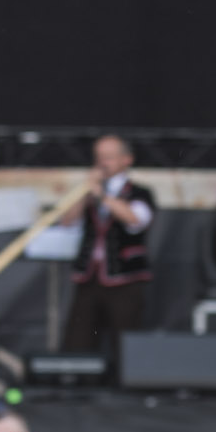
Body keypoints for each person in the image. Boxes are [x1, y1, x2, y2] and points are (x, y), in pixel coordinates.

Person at [60, 136, 156, 378]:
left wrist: (102, 195)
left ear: (126, 159)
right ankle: (77, 382)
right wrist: (83, 193)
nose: (103, 163)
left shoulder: (139, 193)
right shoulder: (90, 192)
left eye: (109, 157)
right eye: (99, 157)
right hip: (89, 275)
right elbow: (67, 221)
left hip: (124, 276)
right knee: (79, 337)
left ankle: (127, 383)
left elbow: (136, 219)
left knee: (124, 337)